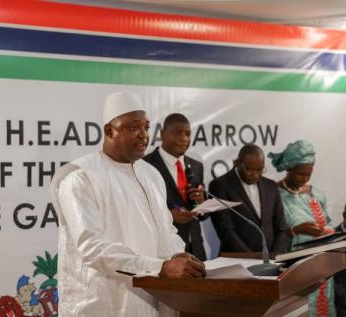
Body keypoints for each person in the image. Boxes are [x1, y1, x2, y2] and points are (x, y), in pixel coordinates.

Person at [50, 91, 206, 317]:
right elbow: (92, 248)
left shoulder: (151, 174)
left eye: (146, 127)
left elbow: (166, 228)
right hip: (105, 304)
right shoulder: (81, 178)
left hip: (158, 299)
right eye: (133, 127)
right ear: (109, 130)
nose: (143, 135)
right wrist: (160, 268)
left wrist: (176, 254)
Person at [268, 140, 336, 317]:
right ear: (289, 168)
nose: (305, 178)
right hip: (294, 269)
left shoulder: (316, 194)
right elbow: (270, 233)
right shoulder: (274, 193)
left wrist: (328, 231)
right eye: (300, 174)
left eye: (308, 174)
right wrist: (296, 231)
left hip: (322, 267)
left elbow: (327, 222)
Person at [143, 113, 207, 260]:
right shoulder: (145, 165)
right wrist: (169, 216)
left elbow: (203, 216)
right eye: (178, 133)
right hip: (164, 252)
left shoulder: (197, 166)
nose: (184, 138)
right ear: (162, 134)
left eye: (188, 134)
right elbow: (138, 211)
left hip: (196, 249)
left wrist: (202, 203)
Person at [209, 144, 289, 254]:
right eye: (250, 169)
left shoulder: (271, 186)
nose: (255, 175)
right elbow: (226, 231)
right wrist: (252, 258)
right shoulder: (219, 186)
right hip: (237, 261)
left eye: (260, 170)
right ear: (237, 163)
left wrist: (275, 256)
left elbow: (281, 228)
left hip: (271, 261)